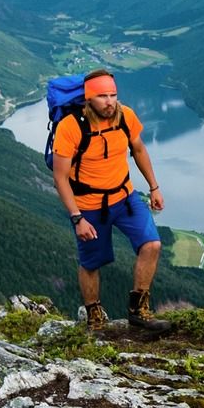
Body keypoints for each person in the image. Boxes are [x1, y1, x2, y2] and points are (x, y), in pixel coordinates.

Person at [50, 70, 171, 334]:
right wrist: (76, 218)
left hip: (125, 197)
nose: (110, 102)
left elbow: (138, 148)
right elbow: (60, 178)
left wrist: (154, 187)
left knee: (152, 245)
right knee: (92, 262)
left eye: (113, 95)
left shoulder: (125, 115)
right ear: (89, 99)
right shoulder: (70, 127)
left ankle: (138, 310)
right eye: (102, 96)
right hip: (89, 206)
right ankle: (94, 314)